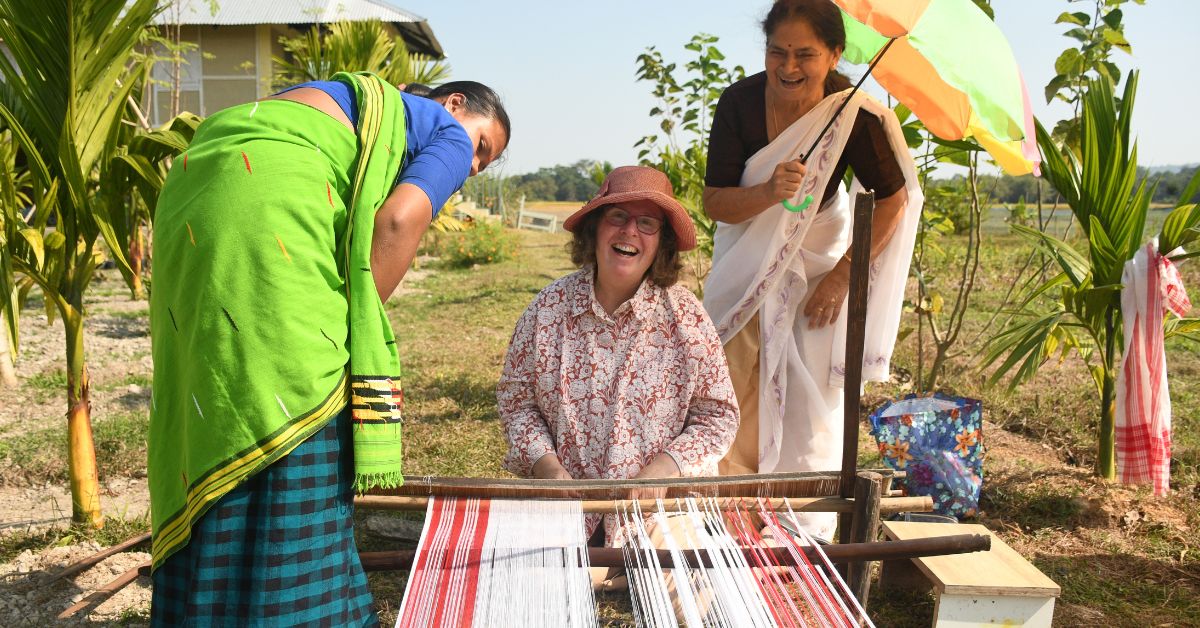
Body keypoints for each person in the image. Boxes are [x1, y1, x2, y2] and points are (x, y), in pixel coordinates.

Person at [147, 74, 509, 625]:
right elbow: (398, 218)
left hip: (193, 197)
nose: (474, 166)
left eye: (484, 161)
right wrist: (354, 321)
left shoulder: (335, 99)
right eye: (482, 146)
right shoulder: (447, 134)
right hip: (268, 214)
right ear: (454, 105)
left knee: (220, 385)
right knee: (299, 385)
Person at [701, 0, 923, 541]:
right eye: (778, 52)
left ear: (835, 55)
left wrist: (843, 276)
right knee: (728, 375)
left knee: (807, 389)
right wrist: (766, 193)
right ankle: (726, 513)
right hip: (746, 256)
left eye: (806, 54)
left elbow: (894, 200)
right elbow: (714, 201)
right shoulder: (739, 104)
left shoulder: (855, 116)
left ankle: (798, 517)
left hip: (820, 258)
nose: (789, 67)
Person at [496, 166, 739, 583]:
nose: (630, 232)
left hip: (657, 513)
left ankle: (624, 571)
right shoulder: (550, 308)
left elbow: (718, 416)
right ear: (594, 230)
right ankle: (605, 570)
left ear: (661, 243)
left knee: (696, 586)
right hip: (569, 511)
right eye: (618, 217)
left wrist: (664, 468)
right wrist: (550, 470)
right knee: (522, 578)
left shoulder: (685, 317)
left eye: (647, 223)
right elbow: (518, 404)